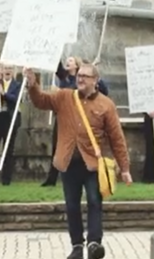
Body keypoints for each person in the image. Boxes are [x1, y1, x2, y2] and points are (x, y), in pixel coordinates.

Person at [23, 63, 132, 259]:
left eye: (85, 76)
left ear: (95, 81)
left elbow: (117, 138)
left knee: (94, 201)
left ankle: (93, 244)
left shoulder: (106, 105)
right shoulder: (64, 97)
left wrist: (124, 168)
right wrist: (32, 84)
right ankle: (76, 246)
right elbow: (41, 101)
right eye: (79, 75)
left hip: (93, 164)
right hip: (68, 162)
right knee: (72, 205)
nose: (80, 79)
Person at [42, 56, 110, 187]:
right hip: (63, 118)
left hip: (78, 119)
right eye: (67, 60)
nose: (68, 62)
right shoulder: (64, 77)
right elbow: (57, 65)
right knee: (57, 146)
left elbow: (97, 91)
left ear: (76, 65)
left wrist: (93, 70)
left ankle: (84, 175)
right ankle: (52, 178)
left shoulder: (80, 80)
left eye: (71, 60)